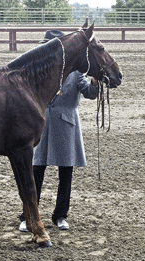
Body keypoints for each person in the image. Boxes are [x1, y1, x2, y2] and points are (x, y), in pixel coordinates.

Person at [19, 30, 99, 232]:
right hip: (41, 123)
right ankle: (28, 214)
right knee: (35, 171)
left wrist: (96, 80)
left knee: (66, 173)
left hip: (66, 124)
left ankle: (60, 215)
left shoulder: (75, 73)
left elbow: (89, 93)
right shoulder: (38, 71)